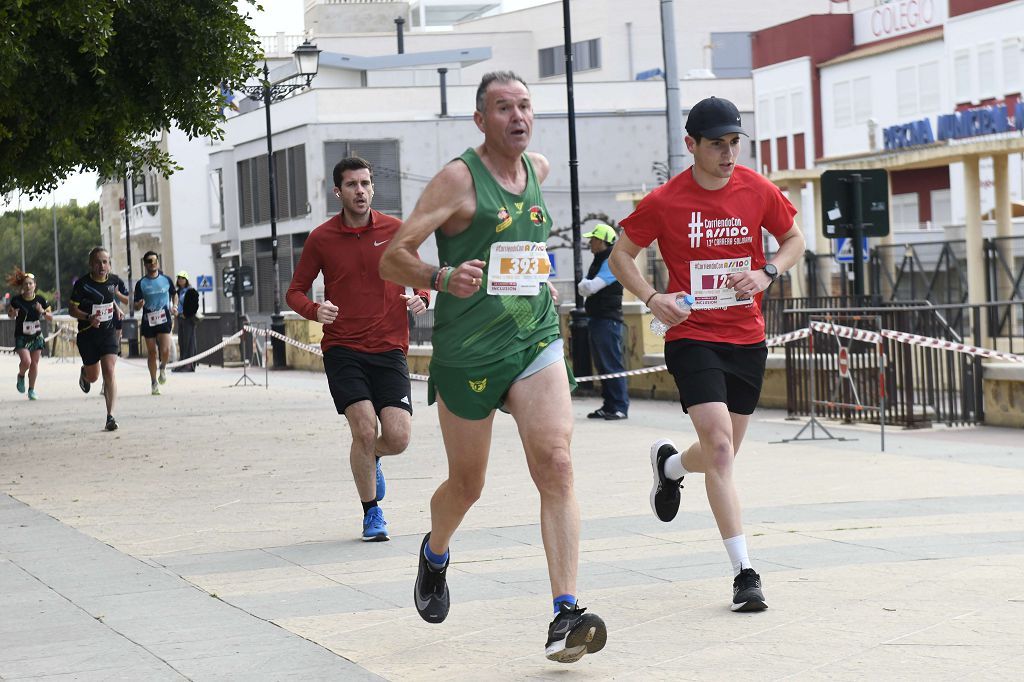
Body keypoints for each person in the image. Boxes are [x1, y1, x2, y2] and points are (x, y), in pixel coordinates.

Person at [380, 71, 607, 664]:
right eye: (503, 108)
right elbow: (392, 257)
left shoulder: (541, 170)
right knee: (468, 485)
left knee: (556, 463)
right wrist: (439, 277)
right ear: (480, 121)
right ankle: (435, 552)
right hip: (469, 353)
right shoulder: (458, 178)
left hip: (533, 339)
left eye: (525, 106)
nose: (518, 117)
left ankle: (565, 614)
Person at [610, 96, 805, 613]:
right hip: (692, 335)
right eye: (716, 144)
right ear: (690, 144)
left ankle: (671, 468)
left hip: (747, 338)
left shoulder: (757, 189)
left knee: (722, 453)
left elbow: (793, 239)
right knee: (720, 449)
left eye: (733, 142)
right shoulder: (666, 200)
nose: (727, 153)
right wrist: (653, 298)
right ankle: (745, 574)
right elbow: (620, 255)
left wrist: (768, 272)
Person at [286, 156, 430, 543]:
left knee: (397, 437)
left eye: (366, 183)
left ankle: (373, 457)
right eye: (352, 185)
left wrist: (422, 296)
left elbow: (420, 276)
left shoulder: (395, 230)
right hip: (344, 348)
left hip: (389, 347)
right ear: (338, 191)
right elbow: (295, 291)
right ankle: (372, 513)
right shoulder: (321, 238)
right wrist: (316, 310)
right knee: (364, 429)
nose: (361, 191)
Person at [70, 247, 130, 431]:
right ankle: (85, 375)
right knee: (94, 376)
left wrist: (117, 308)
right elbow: (72, 309)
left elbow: (113, 296)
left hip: (108, 333)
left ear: (109, 264)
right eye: (98, 262)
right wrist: (88, 317)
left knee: (110, 371)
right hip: (87, 335)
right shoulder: (82, 284)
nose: (102, 266)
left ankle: (110, 417)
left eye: (105, 262)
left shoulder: (113, 281)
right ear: (91, 265)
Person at [576, 223, 629, 421]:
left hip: (608, 320)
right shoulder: (600, 260)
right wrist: (585, 285)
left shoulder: (610, 261)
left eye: (593, 239)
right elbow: (586, 286)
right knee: (603, 366)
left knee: (612, 364)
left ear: (602, 241)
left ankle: (620, 407)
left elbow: (590, 287)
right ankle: (609, 405)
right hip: (598, 319)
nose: (590, 242)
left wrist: (584, 285)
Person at [5, 269, 53, 400]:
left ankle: (31, 390)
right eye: (25, 284)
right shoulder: (16, 300)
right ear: (22, 286)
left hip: (36, 334)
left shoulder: (41, 300)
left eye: (30, 283)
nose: (28, 286)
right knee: (26, 361)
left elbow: (50, 317)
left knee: (34, 363)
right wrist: (13, 314)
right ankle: (21, 375)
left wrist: (42, 311)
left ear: (35, 285)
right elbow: (10, 314)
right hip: (21, 335)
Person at [134, 252, 177, 395]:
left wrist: (174, 306)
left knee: (165, 350)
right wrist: (139, 305)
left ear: (158, 262)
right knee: (152, 352)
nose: (152, 263)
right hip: (149, 320)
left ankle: (163, 368)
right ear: (145, 264)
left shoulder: (166, 280)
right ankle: (153, 382)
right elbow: (135, 306)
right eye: (149, 261)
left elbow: (174, 293)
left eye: (154, 260)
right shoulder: (141, 284)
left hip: (164, 318)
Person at [173, 271, 199, 372]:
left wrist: (186, 314)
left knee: (189, 342)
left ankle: (189, 365)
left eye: (182, 278)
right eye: (179, 278)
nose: (180, 280)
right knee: (182, 341)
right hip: (180, 319)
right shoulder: (178, 291)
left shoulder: (191, 291)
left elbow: (194, 306)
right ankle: (182, 363)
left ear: (186, 280)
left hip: (188, 319)